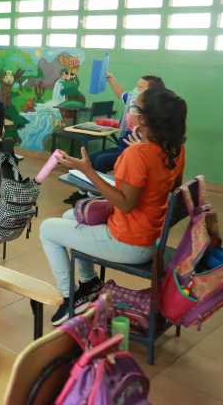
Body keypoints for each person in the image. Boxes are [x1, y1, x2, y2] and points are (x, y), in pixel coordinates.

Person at [41, 88, 187, 325]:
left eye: (135, 107)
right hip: (151, 237)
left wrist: (88, 171)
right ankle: (89, 284)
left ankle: (71, 300)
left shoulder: (138, 154)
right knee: (70, 215)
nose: (130, 111)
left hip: (128, 243)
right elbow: (170, 187)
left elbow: (125, 203)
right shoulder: (175, 149)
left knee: (47, 229)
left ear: (145, 118)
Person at [64, 74, 166, 205]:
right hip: (123, 146)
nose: (135, 90)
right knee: (91, 158)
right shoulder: (133, 99)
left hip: (132, 151)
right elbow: (122, 94)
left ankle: (92, 195)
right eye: (136, 86)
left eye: (140, 87)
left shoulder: (152, 115)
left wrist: (140, 146)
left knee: (101, 161)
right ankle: (83, 191)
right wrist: (111, 79)